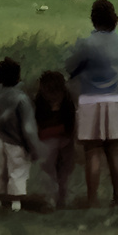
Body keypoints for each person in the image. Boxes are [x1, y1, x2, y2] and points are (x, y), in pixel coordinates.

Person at [66, 0, 118, 206]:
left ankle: (93, 199)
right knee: (117, 152)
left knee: (92, 152)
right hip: (116, 100)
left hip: (90, 100)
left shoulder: (86, 44)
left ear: (93, 19)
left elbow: (70, 67)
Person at [0, 57, 41, 211]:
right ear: (18, 77)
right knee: (17, 169)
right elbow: (28, 127)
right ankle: (16, 204)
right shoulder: (22, 99)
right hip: (17, 142)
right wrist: (34, 148)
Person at [33, 70, 76, 209]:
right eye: (48, 93)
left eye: (56, 94)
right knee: (48, 168)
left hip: (65, 141)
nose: (53, 97)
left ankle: (63, 198)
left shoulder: (67, 101)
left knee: (65, 170)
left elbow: (71, 125)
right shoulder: (39, 102)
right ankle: (51, 198)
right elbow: (37, 122)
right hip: (48, 141)